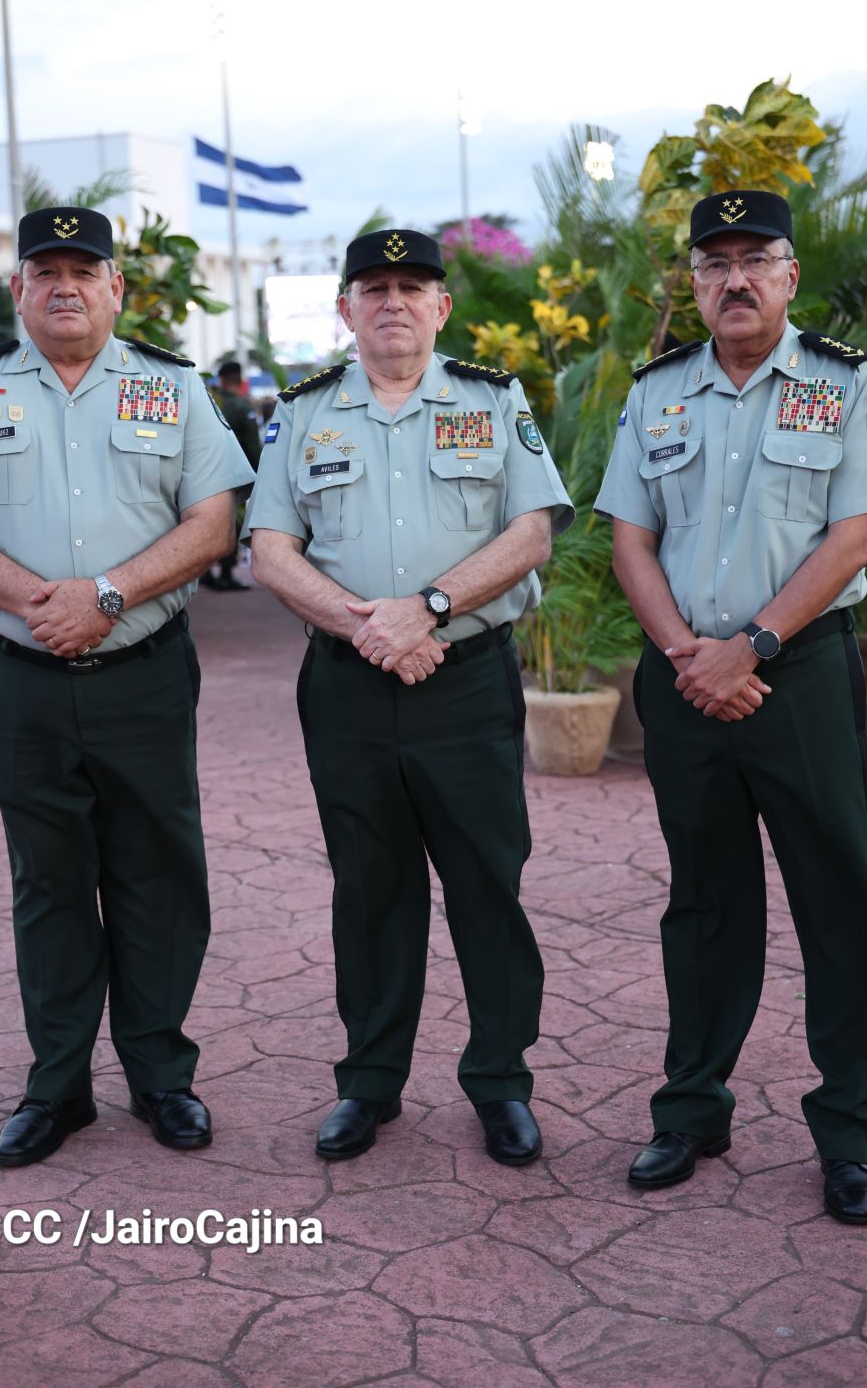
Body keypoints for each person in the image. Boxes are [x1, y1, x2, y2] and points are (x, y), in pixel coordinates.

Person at [595, 190, 867, 1224]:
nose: (731, 279)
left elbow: (849, 540)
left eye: (752, 259)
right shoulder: (658, 393)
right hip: (685, 680)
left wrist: (751, 646)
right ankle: (690, 1110)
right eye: (710, 262)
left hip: (798, 673)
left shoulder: (841, 384)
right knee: (704, 900)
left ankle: (848, 1131)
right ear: (690, 283)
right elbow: (629, 539)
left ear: (787, 276)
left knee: (837, 898)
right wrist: (688, 655)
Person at [0, 206, 256, 1167]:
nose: (65, 286)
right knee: (49, 879)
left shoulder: (171, 385)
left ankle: (162, 1076)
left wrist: (107, 596)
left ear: (119, 286)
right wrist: (45, 604)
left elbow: (215, 520)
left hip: (144, 675)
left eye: (86, 270)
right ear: (19, 289)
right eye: (46, 272)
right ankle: (58, 1086)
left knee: (158, 873)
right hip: (16, 676)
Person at [246, 228, 573, 1165]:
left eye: (412, 287)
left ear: (442, 307)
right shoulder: (302, 412)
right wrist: (369, 629)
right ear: (344, 309)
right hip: (349, 686)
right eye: (374, 287)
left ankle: (501, 1084)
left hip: (464, 682)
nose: (393, 302)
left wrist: (426, 610)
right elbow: (270, 550)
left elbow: (531, 533)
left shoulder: (490, 399)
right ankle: (369, 1084)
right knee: (370, 888)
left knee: (485, 885)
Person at [203, 359, 260, 590]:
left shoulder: (209, 401)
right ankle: (226, 573)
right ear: (239, 379)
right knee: (233, 524)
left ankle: (204, 571)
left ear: (222, 379)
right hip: (234, 476)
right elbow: (252, 446)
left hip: (204, 473)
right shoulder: (241, 407)